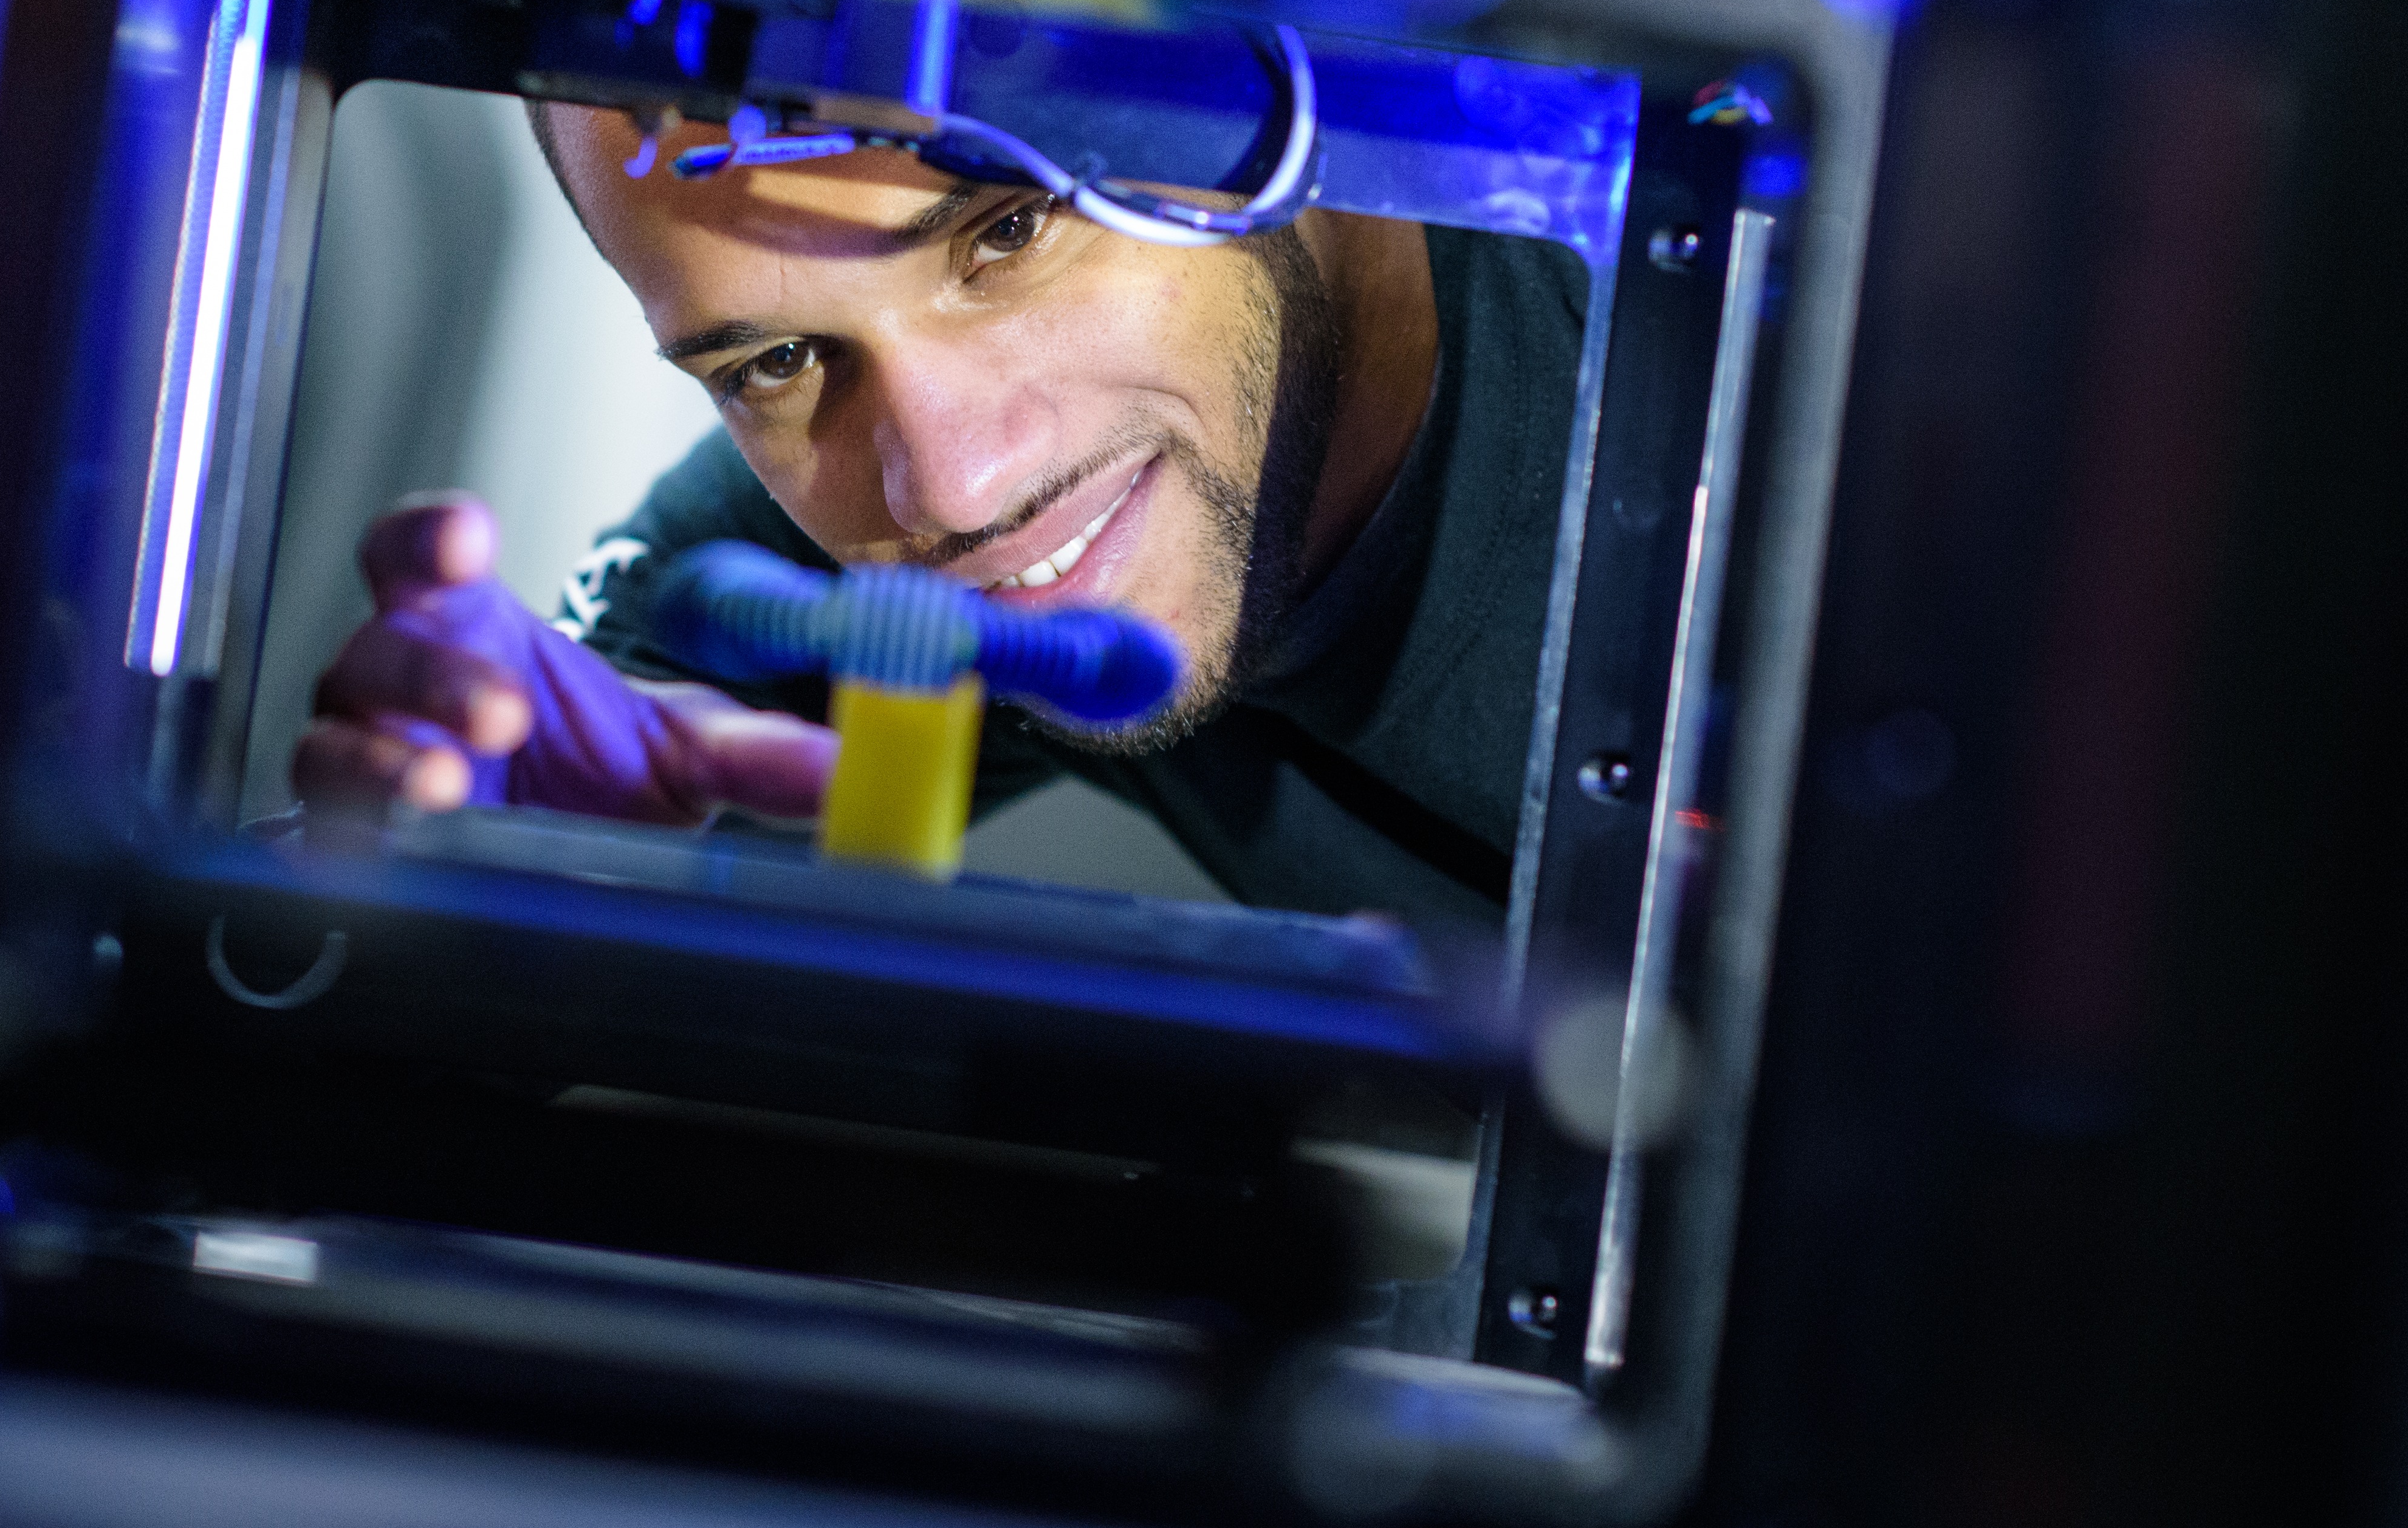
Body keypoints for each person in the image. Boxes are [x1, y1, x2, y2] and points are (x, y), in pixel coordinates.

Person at [288, 100, 1587, 945]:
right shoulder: (796, 562)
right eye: (777, 362)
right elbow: (305, 1004)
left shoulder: (1693, 324)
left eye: (1006, 233)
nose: (950, 495)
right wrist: (458, 867)